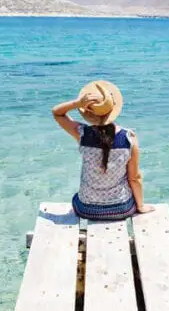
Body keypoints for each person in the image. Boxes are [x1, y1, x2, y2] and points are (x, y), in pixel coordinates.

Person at [52, 80, 154, 220]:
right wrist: (141, 206)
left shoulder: (82, 134)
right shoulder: (129, 139)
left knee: (76, 198)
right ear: (113, 108)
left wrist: (77, 103)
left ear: (88, 111)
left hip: (87, 210)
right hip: (121, 208)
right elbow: (134, 178)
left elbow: (57, 113)